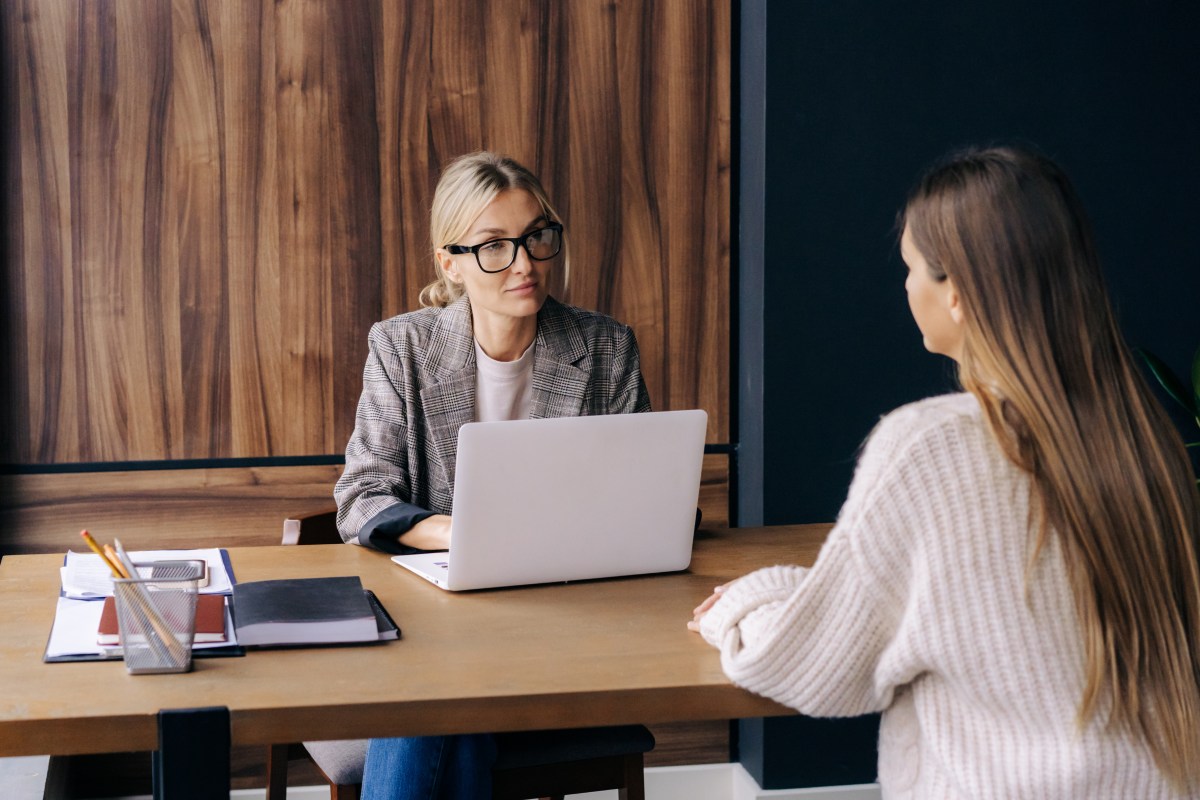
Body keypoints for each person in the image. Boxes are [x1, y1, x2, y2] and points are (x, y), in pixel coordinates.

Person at [689, 146, 1200, 798]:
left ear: (955, 292)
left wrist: (737, 607)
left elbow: (818, 661)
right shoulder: (1145, 440)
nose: (904, 286)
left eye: (911, 270)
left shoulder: (928, 449)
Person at [334, 151, 651, 799]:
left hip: (568, 627)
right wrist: (461, 533)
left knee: (436, 697)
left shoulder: (604, 348)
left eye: (537, 236)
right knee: (450, 696)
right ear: (449, 262)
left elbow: (647, 500)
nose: (525, 264)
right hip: (437, 624)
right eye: (494, 246)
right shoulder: (403, 349)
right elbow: (361, 501)